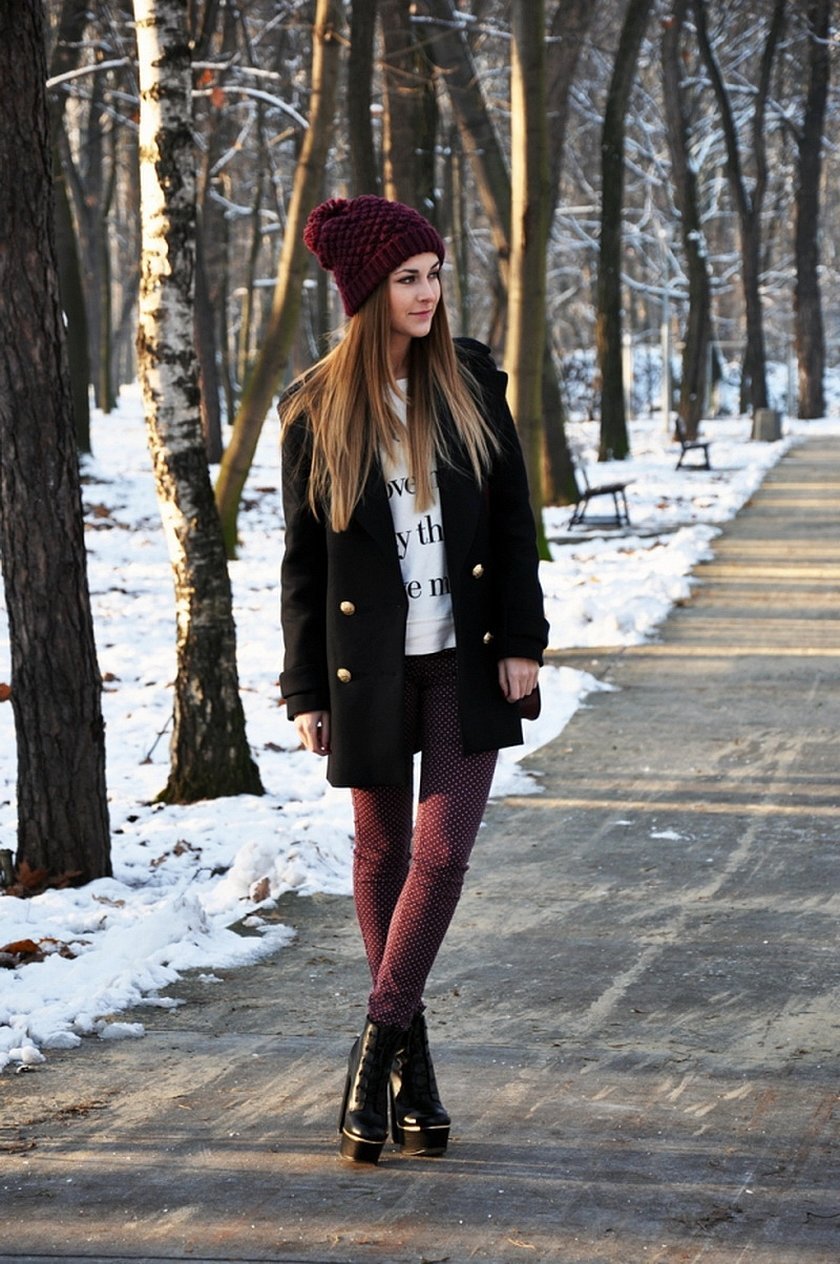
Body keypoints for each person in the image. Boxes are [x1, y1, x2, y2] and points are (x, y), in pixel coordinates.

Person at [279, 195, 548, 1165]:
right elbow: (302, 565)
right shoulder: (315, 409)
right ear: (366, 293)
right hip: (370, 671)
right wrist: (306, 690)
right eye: (407, 279)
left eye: (433, 274)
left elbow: (514, 521)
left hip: (467, 661)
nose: (428, 293)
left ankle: (374, 1046)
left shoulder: (471, 383)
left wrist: (524, 638)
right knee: (381, 853)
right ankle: (414, 1071)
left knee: (439, 856)